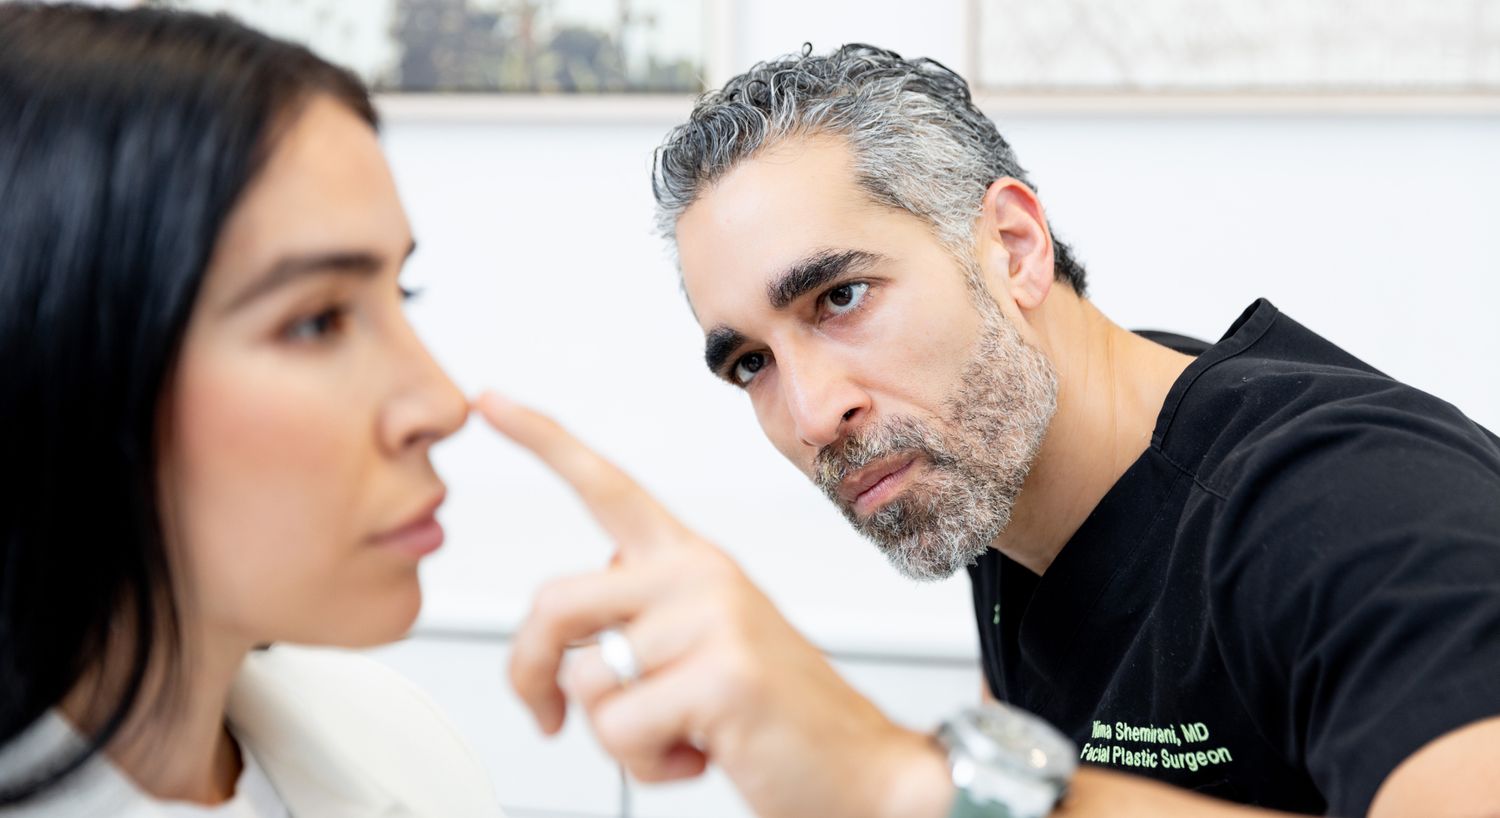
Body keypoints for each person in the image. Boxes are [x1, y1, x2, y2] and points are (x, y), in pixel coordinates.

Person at [482, 44, 1500, 818]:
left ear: (1013, 248)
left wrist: (898, 775)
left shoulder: (1356, 505)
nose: (813, 413)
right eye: (751, 362)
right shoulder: (999, 478)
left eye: (841, 297)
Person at [0, 5, 504, 815]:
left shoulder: (414, 750)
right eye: (317, 321)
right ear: (57, 358)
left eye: (400, 292)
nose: (441, 405)